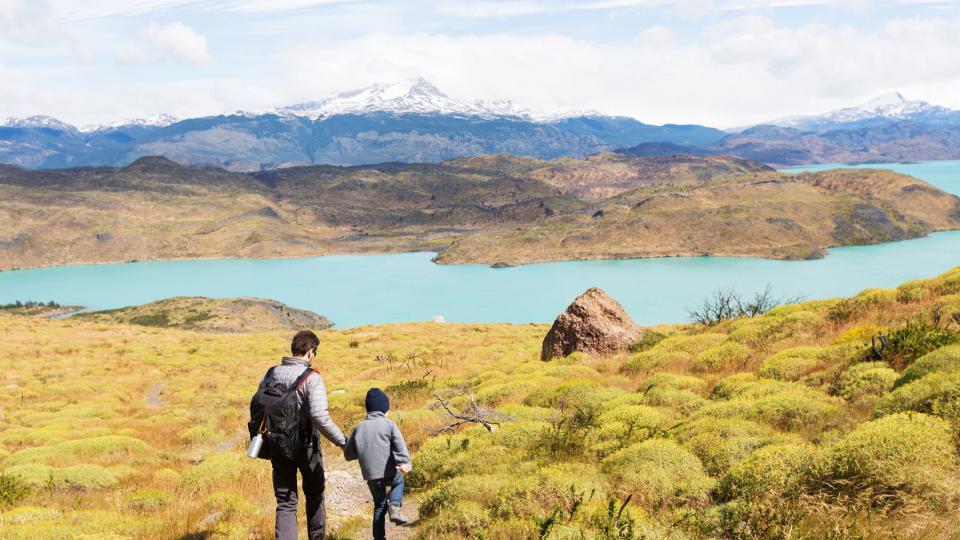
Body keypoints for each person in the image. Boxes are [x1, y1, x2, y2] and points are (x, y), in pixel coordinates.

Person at [258, 330, 347, 540]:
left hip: (277, 443)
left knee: (285, 501)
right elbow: (319, 416)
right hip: (306, 446)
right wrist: (342, 441)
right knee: (315, 493)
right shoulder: (311, 377)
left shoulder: (270, 374)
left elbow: (260, 405)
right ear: (310, 352)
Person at [344, 388, 414, 539]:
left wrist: (361, 451)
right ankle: (395, 507)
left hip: (371, 477)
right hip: (389, 471)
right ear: (384, 409)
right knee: (398, 481)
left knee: (379, 506)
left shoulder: (358, 428)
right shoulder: (389, 424)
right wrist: (404, 462)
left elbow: (348, 455)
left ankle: (379, 538)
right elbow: (399, 445)